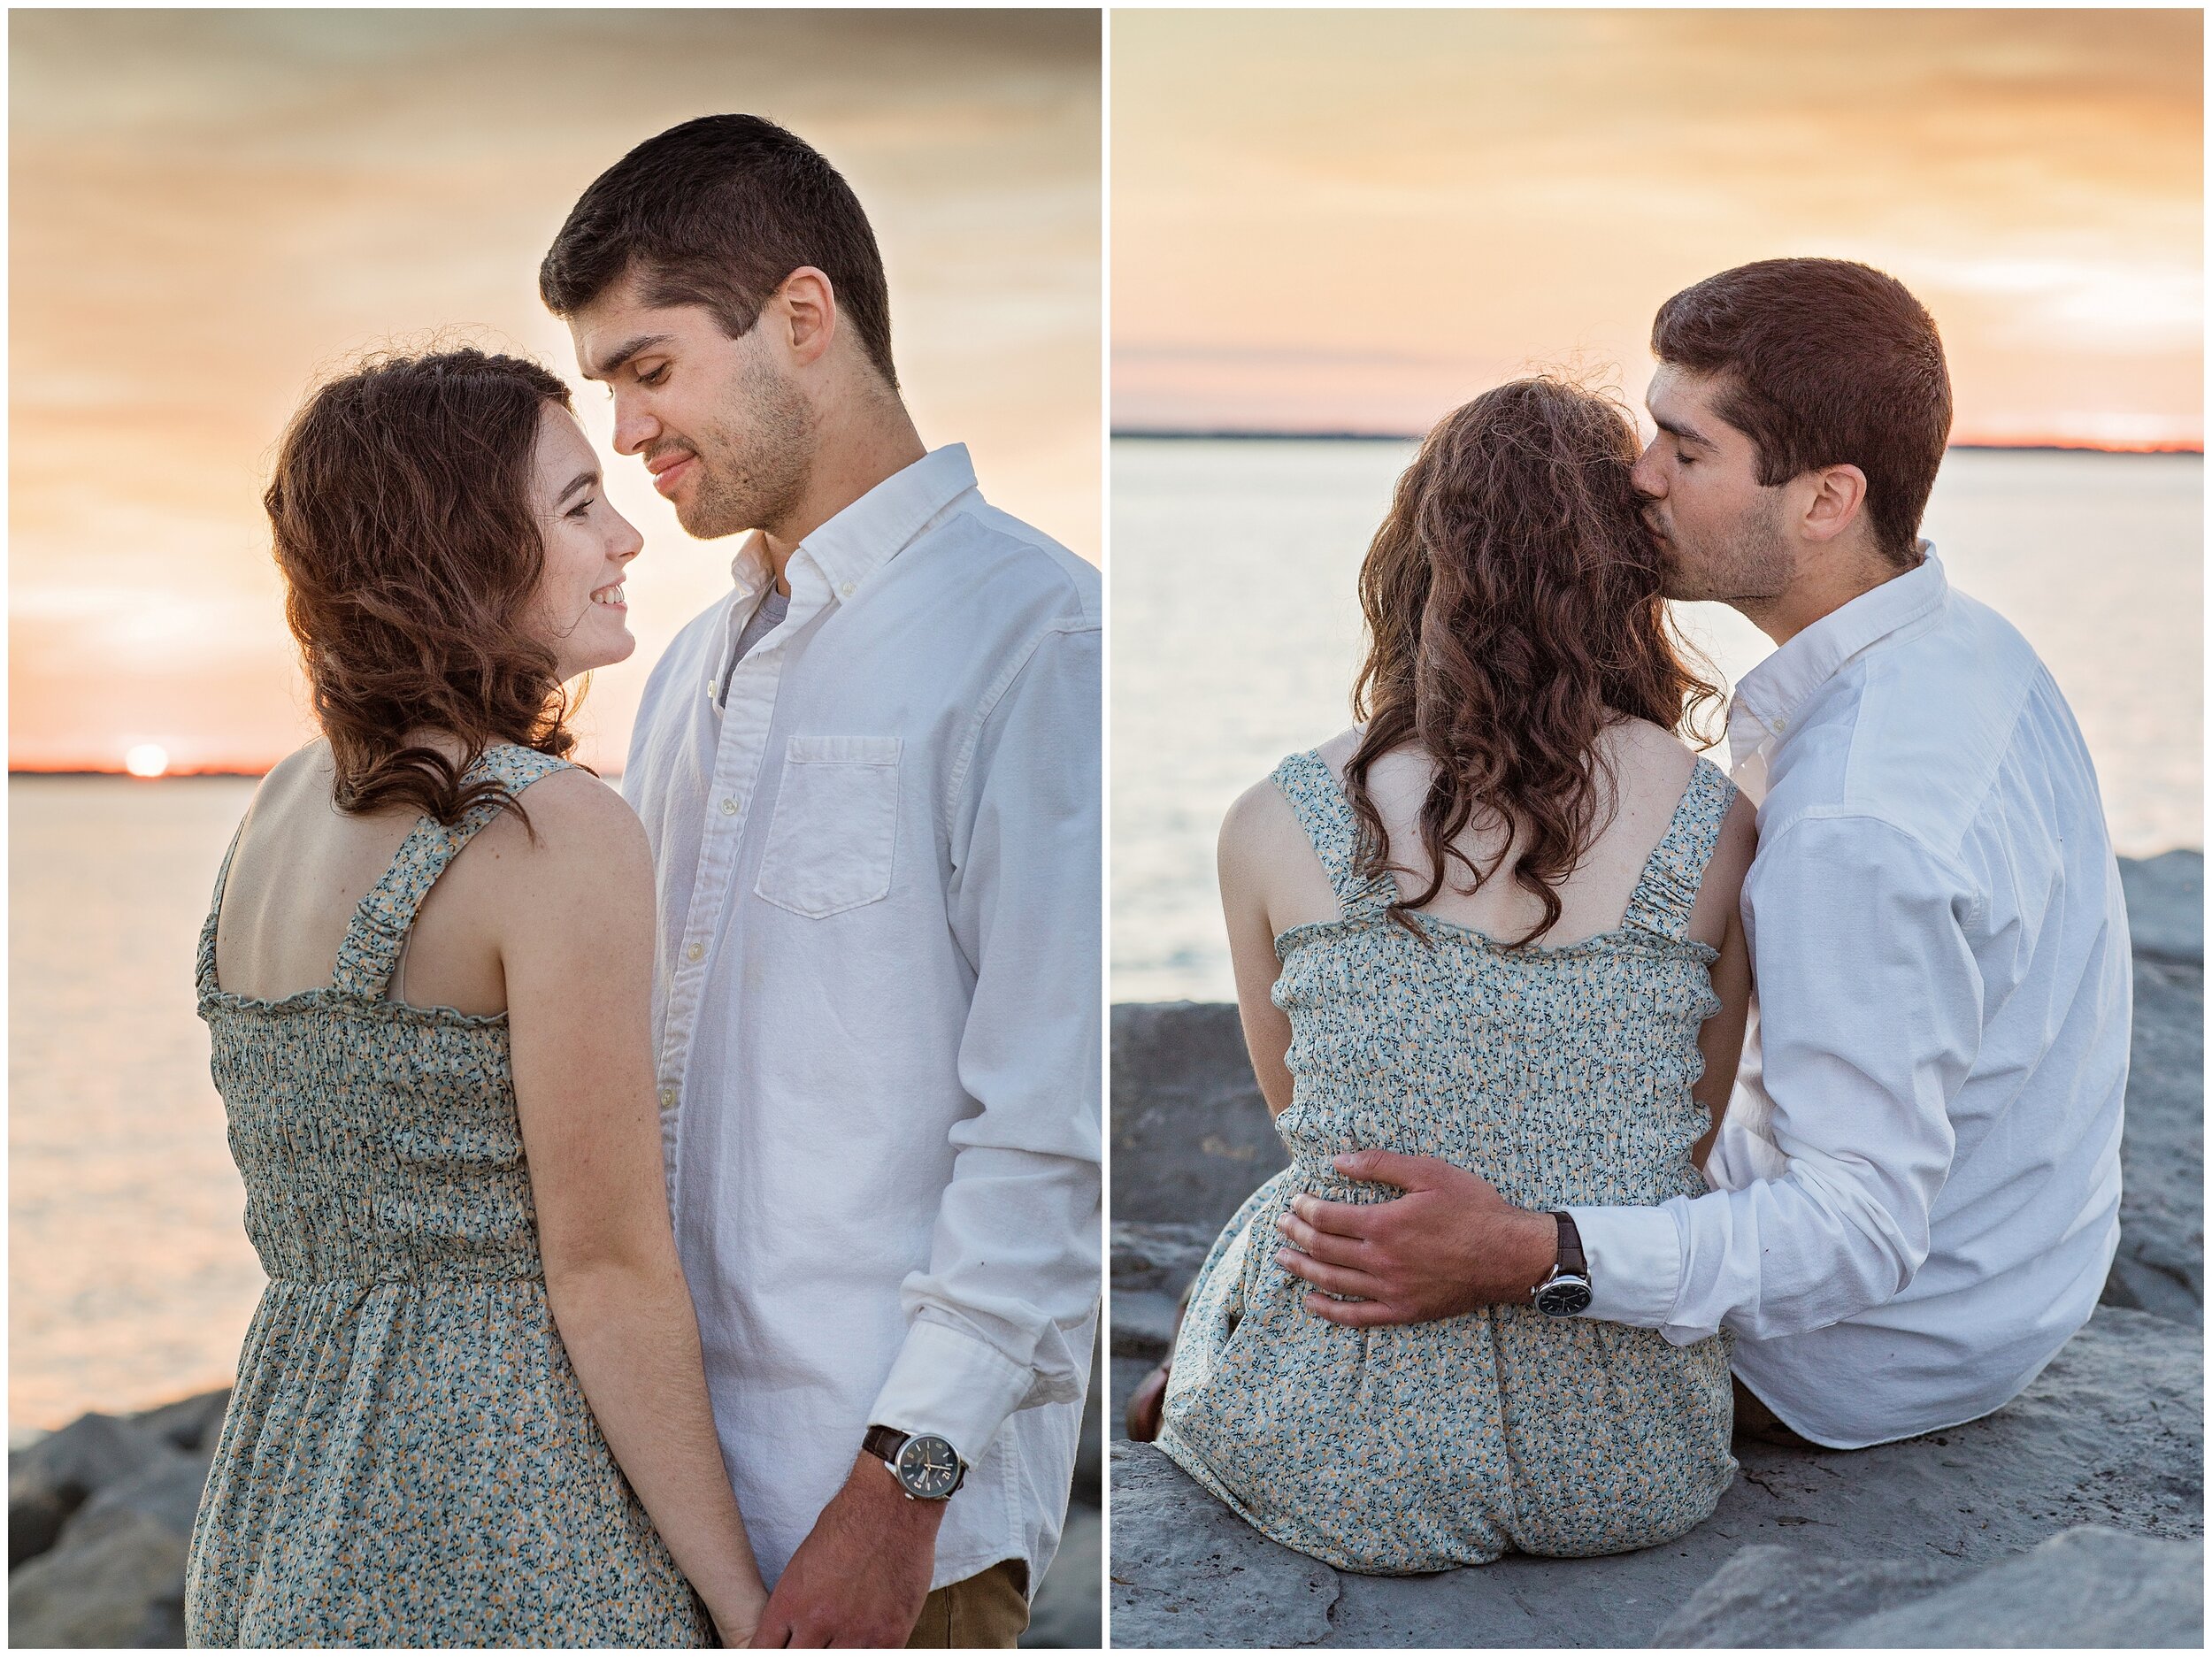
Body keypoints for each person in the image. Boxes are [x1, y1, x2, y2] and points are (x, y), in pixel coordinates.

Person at [1268, 258, 2131, 1455]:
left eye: (1686, 448)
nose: (1638, 476)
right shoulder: (1968, 646)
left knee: (1376, 1296)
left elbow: (1859, 1230)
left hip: (1861, 1348)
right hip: (2014, 1274)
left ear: (1827, 500)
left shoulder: (1853, 822)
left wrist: (1537, 1253)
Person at [538, 114, 1102, 1648]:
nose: (629, 432)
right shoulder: (689, 670)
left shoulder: (1040, 639)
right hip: (660, 1504)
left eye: (650, 369)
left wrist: (899, 1489)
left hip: (882, 1531)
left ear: (801, 315)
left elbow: (1051, 1129)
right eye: (608, 391)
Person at [185, 349, 768, 1645]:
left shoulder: (278, 807)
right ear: (456, 547)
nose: (626, 534)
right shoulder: (550, 832)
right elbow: (606, 1266)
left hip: (281, 1486)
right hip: (500, 1502)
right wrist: (738, 1594)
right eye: (573, 508)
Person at [1145, 375, 1760, 1572]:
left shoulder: (1273, 819)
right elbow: (1685, 1138)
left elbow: (1307, 1126)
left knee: (1287, 1211)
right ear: (1627, 575)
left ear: (1412, 567)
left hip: (1351, 1453)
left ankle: (1202, 1384)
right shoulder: (1720, 821)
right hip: (1632, 1448)